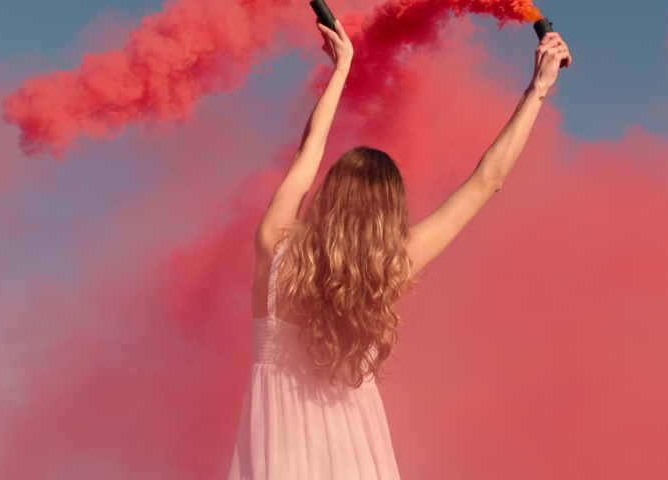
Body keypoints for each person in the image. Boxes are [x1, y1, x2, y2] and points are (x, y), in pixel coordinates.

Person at [228, 18, 572, 480]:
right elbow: (486, 183)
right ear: (390, 213)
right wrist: (538, 88)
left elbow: (307, 149)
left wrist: (341, 68)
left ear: (330, 193)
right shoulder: (388, 269)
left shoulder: (275, 245)